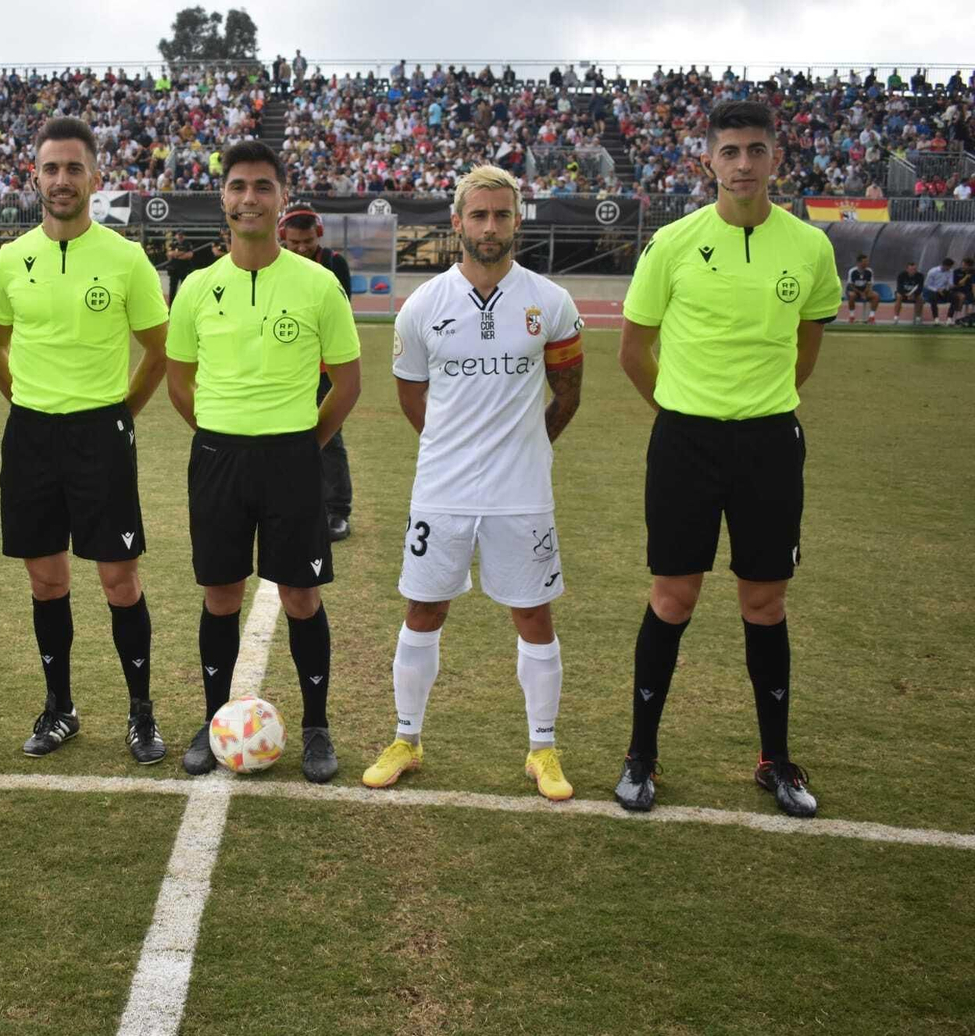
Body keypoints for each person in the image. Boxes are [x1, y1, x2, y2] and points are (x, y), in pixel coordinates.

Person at [616, 101, 841, 817]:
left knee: (763, 601)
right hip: (684, 442)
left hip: (771, 443)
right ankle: (641, 756)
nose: (742, 163)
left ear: (777, 158)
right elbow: (633, 350)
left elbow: (806, 345)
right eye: (730, 151)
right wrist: (686, 410)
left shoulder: (810, 249)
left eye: (755, 150)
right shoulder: (674, 244)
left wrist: (758, 404)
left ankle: (775, 760)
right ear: (707, 161)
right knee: (672, 598)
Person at [362, 165, 584, 799]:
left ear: (517, 221)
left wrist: (524, 450)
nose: (491, 226)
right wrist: (451, 449)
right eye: (479, 215)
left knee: (532, 612)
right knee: (423, 607)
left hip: (522, 491)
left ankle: (543, 749)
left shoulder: (551, 302)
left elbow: (566, 396)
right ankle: (406, 737)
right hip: (442, 489)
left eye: (502, 215)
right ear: (457, 223)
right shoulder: (424, 306)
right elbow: (412, 394)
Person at [165, 140, 362, 783]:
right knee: (221, 594)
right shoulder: (197, 288)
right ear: (223, 197)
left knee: (301, 596)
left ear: (280, 197)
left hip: (291, 460)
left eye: (262, 187)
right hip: (218, 457)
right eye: (238, 186)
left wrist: (305, 443)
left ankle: (316, 726)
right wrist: (222, 434)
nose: (249, 198)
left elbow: (349, 383)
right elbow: (179, 382)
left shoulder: (317, 284)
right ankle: (214, 718)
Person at [0, 116, 172, 764]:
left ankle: (141, 712)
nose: (61, 180)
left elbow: (158, 350)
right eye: (50, 168)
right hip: (31, 436)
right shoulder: (10, 260)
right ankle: (59, 707)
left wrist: (121, 413)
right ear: (35, 176)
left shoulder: (124, 258)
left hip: (101, 434)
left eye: (73, 168)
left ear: (95, 177)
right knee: (46, 582)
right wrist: (32, 405)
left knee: (118, 579)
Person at [280, 202, 355, 541]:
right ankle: (294, 501)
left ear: (318, 234)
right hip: (287, 364)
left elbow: (338, 314)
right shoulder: (276, 265)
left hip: (325, 367)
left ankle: (338, 510)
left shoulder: (334, 264)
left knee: (330, 437)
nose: (301, 248)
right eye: (294, 242)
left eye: (307, 241)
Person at [844, 253, 878, 323]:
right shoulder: (852, 271)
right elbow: (851, 285)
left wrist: (865, 293)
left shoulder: (869, 271)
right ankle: (852, 316)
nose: (866, 263)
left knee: (876, 296)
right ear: (859, 263)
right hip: (853, 290)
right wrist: (860, 293)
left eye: (867, 261)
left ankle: (871, 317)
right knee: (852, 295)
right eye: (864, 262)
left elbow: (869, 284)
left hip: (864, 291)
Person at [923, 258, 956, 325]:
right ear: (944, 265)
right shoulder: (933, 271)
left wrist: (951, 285)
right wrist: (936, 290)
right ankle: (936, 319)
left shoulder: (950, 271)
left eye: (950, 267)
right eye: (949, 267)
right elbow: (927, 285)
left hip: (944, 291)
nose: (949, 268)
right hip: (933, 290)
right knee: (933, 297)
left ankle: (949, 319)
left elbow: (950, 282)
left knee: (955, 298)